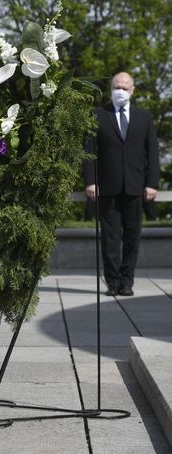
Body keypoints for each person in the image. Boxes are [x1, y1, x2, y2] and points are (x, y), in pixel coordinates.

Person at [84, 72, 160, 297]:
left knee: (132, 236)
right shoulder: (98, 114)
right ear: (111, 88)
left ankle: (127, 282)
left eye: (125, 88)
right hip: (107, 187)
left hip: (136, 187)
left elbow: (152, 153)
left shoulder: (144, 117)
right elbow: (88, 151)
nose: (121, 91)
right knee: (109, 237)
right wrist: (90, 182)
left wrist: (152, 183)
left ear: (133, 90)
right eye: (117, 86)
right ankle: (113, 282)